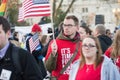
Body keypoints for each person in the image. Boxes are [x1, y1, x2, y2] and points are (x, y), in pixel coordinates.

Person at [45, 15, 81, 80]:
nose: (66, 28)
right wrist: (53, 54)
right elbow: (49, 68)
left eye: (69, 25)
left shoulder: (82, 44)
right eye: (64, 25)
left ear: (77, 27)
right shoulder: (55, 43)